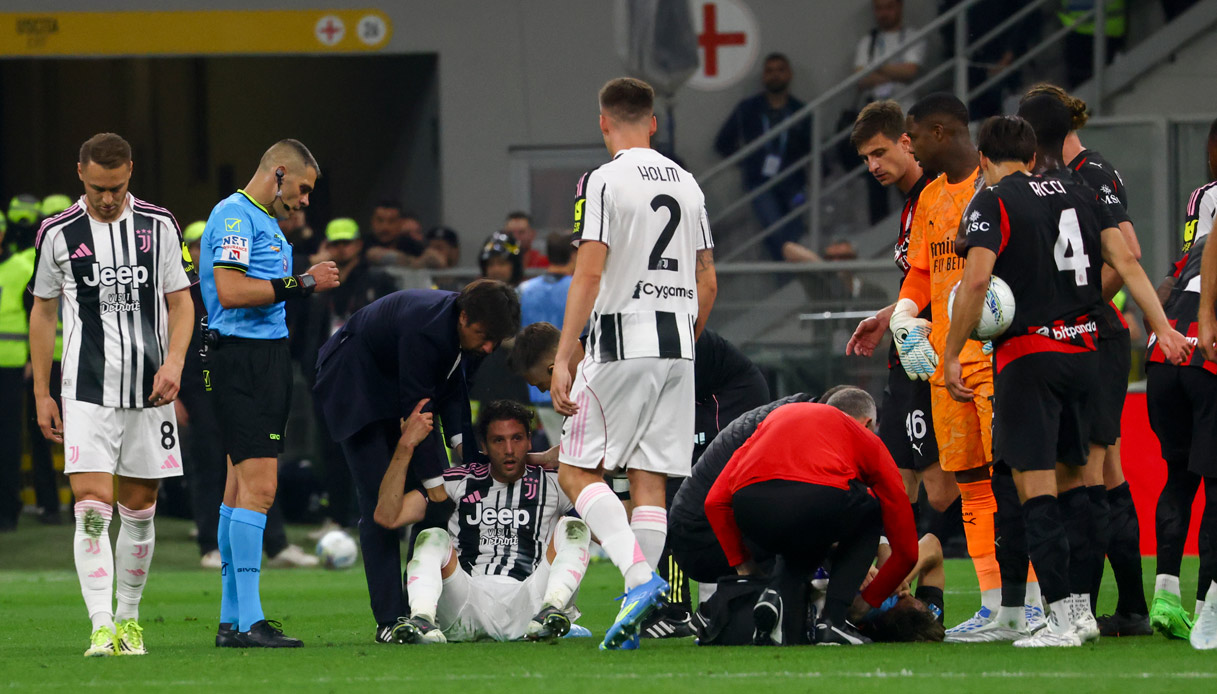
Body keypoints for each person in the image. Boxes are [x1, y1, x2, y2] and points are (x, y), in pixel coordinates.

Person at [944, 111, 1189, 646]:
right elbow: (1127, 261)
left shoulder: (993, 199)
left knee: (1034, 491)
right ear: (1033, 156)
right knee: (1079, 484)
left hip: (1029, 357)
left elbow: (977, 281)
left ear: (983, 159)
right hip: (1086, 353)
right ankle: (1080, 611)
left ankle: (1058, 620)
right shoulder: (1079, 190)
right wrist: (1164, 328)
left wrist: (952, 352)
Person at [550, 76, 717, 650]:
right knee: (649, 480)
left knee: (576, 470)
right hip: (678, 348)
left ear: (603, 122)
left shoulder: (601, 180)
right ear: (653, 122)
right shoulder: (689, 183)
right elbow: (707, 280)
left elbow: (589, 272)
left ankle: (639, 578)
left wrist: (565, 355)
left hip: (621, 341)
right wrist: (684, 340)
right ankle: (633, 615)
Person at [29, 132, 196, 656]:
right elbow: (44, 311)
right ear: (80, 173)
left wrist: (175, 363)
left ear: (130, 174)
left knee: (140, 509)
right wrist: (42, 392)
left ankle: (129, 620)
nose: (107, 198)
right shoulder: (57, 232)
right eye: (99, 187)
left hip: (151, 391)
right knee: (93, 507)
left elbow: (181, 302)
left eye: (116, 187)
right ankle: (101, 626)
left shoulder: (159, 225)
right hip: (86, 391)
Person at [312, 279, 520, 643]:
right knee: (382, 505)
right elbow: (418, 407)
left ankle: (419, 609)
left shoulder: (470, 330)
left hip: (399, 387)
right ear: (464, 317)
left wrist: (468, 456)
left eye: (496, 340)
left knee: (440, 502)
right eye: (485, 336)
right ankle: (390, 621)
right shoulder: (425, 329)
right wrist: (436, 485)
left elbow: (453, 391)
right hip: (355, 383)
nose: (489, 347)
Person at [198, 139, 339, 649]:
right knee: (259, 490)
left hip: (261, 358)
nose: (304, 200)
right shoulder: (236, 217)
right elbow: (231, 291)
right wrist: (303, 282)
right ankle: (249, 621)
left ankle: (233, 620)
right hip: (244, 360)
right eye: (302, 188)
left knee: (238, 489)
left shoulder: (263, 221)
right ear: (278, 174)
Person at [1021, 83, 1148, 636]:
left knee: (1088, 471)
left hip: (1093, 334)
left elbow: (1128, 252)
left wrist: (1073, 305)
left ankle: (1081, 609)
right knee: (1106, 470)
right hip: (1087, 335)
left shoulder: (1089, 173)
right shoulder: (1075, 174)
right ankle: (1131, 608)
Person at [895, 93, 1011, 638]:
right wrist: (903, 316)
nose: (910, 146)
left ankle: (1031, 599)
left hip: (995, 358)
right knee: (970, 483)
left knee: (1012, 479)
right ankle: (993, 604)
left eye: (914, 136)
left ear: (939, 132)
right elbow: (922, 272)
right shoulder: (929, 198)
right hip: (946, 363)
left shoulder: (997, 188)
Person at [704, 389, 918, 646]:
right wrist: (868, 601)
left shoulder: (775, 419)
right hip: (815, 503)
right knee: (870, 507)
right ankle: (833, 622)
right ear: (868, 423)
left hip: (751, 510)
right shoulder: (863, 436)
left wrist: (745, 567)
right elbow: (907, 551)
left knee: (806, 536)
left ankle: (774, 594)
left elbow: (714, 502)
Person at [373, 399, 590, 643]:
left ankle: (552, 610)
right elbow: (387, 516)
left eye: (517, 438)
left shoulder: (555, 483)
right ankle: (422, 620)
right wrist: (406, 446)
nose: (509, 449)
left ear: (529, 441)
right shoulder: (456, 482)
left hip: (530, 603)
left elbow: (610, 526)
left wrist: (592, 467)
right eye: (498, 440)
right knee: (432, 536)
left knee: (574, 527)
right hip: (465, 605)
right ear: (483, 446)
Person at [843, 100, 948, 520]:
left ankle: (952, 552)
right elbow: (927, 279)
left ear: (906, 142)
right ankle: (906, 563)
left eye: (879, 152)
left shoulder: (939, 196)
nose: (872, 166)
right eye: (865, 158)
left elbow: (952, 280)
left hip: (933, 355)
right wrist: (888, 316)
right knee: (897, 480)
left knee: (939, 487)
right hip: (906, 352)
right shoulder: (910, 204)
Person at [1150, 117, 1217, 646]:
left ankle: (1165, 597)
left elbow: (1181, 270)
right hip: (1207, 347)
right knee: (1215, 484)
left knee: (1177, 477)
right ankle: (1206, 608)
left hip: (1166, 342)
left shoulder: (1201, 197)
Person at [713, 53, 811, 261]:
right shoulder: (748, 108)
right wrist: (748, 161)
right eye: (770, 71)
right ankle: (790, 275)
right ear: (763, 76)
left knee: (795, 231)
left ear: (789, 74)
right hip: (760, 182)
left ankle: (789, 276)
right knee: (776, 232)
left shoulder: (800, 110)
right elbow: (722, 142)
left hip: (793, 182)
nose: (775, 75)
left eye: (780, 70)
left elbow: (811, 147)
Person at [853, 0, 928, 223]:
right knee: (877, 181)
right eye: (879, 8)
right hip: (875, 123)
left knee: (909, 175)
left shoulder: (912, 35)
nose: (883, 13)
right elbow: (861, 79)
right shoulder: (868, 41)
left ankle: (920, 222)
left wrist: (875, 66)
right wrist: (894, 70)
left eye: (889, 7)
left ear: (899, 8)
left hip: (905, 119)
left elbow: (910, 71)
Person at [516, 231, 576, 438]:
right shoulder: (580, 289)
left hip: (538, 389)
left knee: (558, 446)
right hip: (574, 385)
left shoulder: (524, 290)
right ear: (574, 254)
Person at [365, 200, 424, 267]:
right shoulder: (362, 244)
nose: (385, 227)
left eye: (391, 221)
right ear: (372, 222)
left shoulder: (410, 245)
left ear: (400, 223)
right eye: (380, 220)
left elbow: (428, 256)